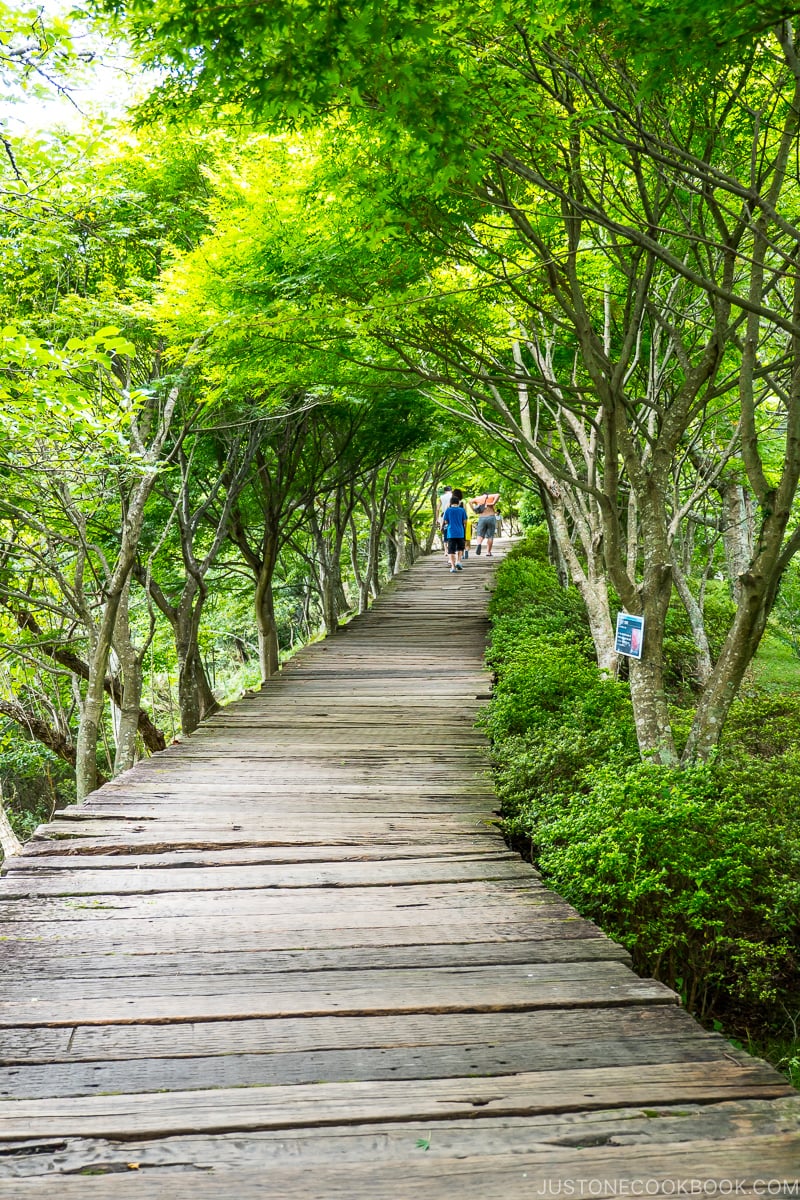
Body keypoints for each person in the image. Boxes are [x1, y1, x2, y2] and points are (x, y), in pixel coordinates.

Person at [443, 488, 468, 573]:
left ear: (450, 502)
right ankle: (459, 561)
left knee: (451, 550)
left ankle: (453, 566)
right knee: (460, 548)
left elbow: (446, 521)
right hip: (460, 532)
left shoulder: (448, 510)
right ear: (458, 502)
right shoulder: (462, 510)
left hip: (451, 533)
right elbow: (465, 521)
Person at [470, 492, 500, 556]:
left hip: (482, 518)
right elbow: (498, 495)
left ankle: (479, 544)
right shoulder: (490, 497)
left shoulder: (478, 498)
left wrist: (474, 510)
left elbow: (470, 501)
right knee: (490, 536)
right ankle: (488, 552)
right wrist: (493, 503)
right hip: (491, 517)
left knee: (480, 534)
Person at [437, 484, 453, 557]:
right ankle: (452, 549)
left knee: (444, 533)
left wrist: (437, 519)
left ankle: (446, 551)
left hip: (444, 516)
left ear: (444, 491)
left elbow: (437, 509)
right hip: (453, 515)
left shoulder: (441, 497)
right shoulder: (454, 496)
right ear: (451, 490)